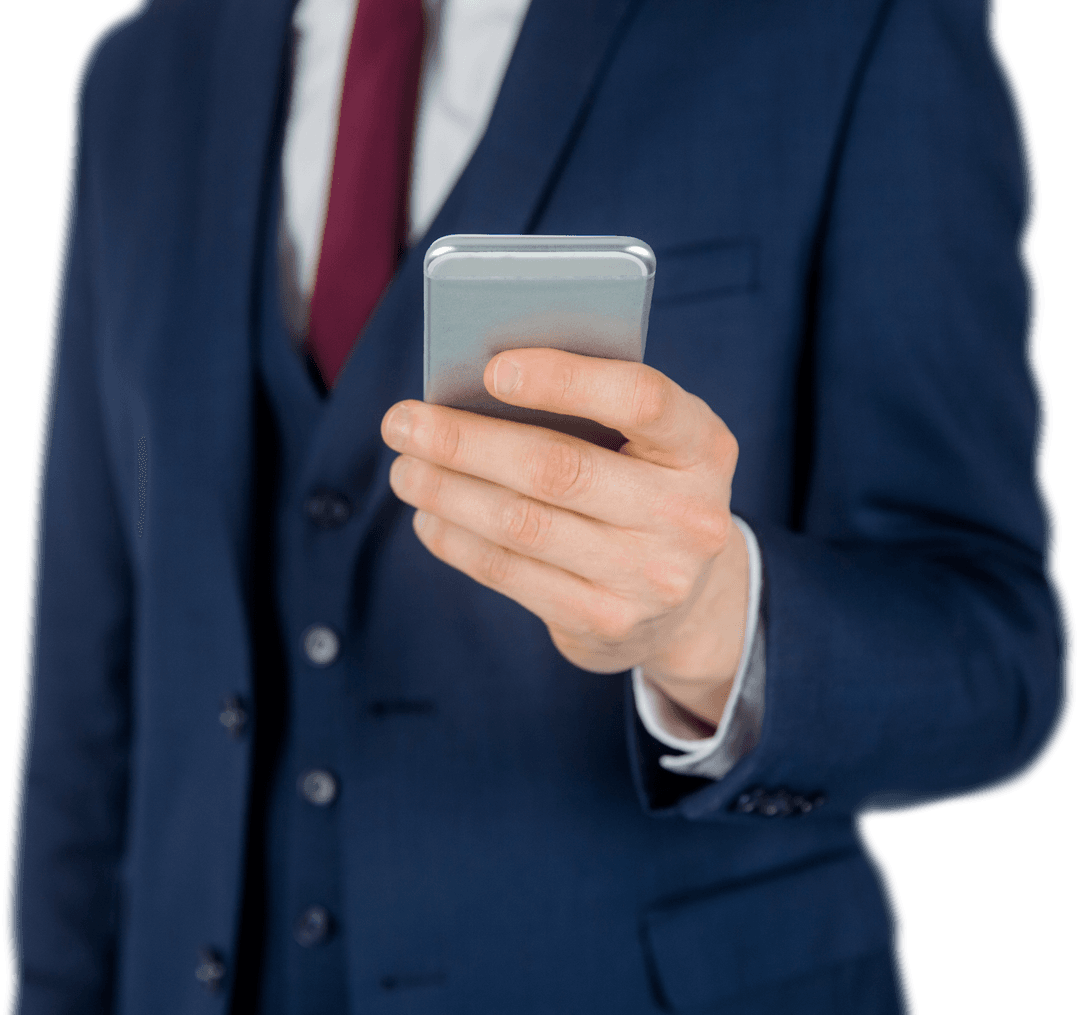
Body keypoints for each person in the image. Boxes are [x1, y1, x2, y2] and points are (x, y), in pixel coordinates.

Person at [6, 0, 1069, 1012]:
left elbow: (997, 654)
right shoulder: (137, 72)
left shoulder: (850, 21)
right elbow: (83, 690)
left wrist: (713, 625)